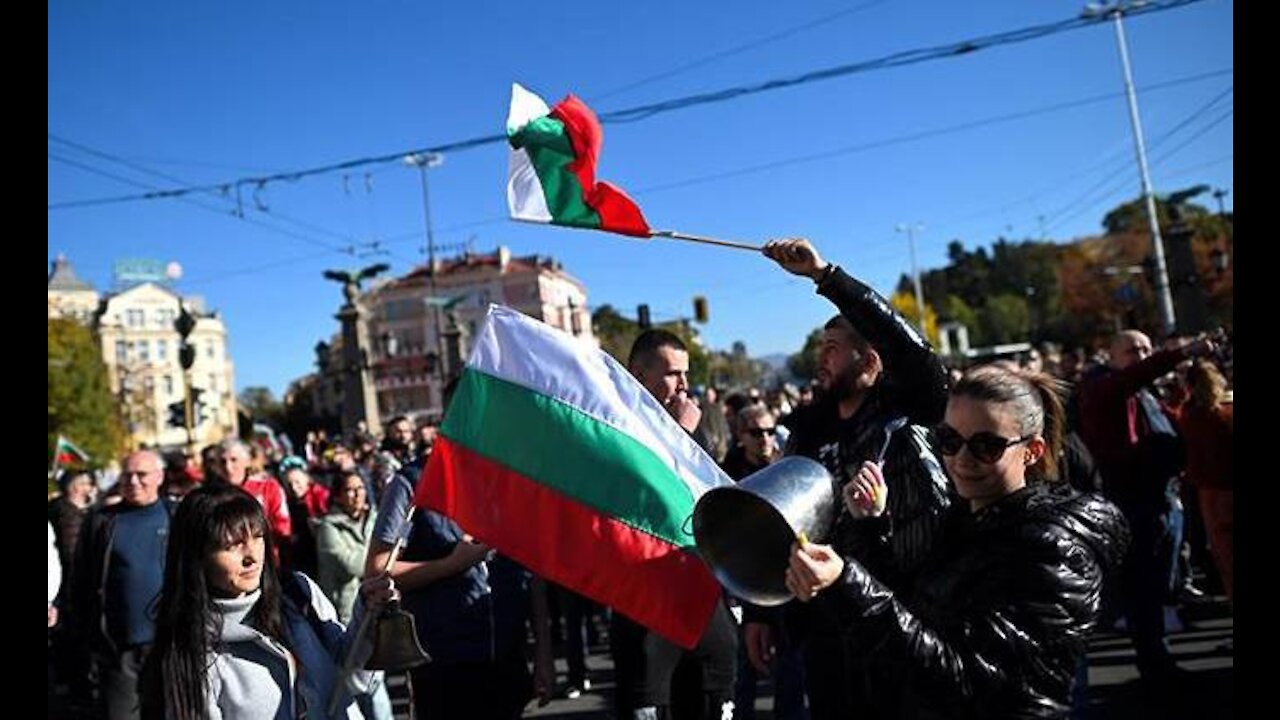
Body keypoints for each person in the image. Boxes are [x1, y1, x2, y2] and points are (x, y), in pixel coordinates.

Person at [786, 365, 1129, 718]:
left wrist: (848, 584)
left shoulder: (1052, 547)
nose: (962, 459)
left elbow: (964, 677)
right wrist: (871, 527)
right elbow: (917, 610)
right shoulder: (964, 519)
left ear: (1032, 451)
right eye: (948, 440)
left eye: (987, 445)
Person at [747, 238, 953, 720]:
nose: (822, 360)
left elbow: (916, 355)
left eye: (835, 349)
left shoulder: (908, 414)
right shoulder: (805, 430)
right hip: (826, 620)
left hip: (899, 612)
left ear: (872, 360)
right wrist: (760, 612)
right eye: (822, 349)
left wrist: (826, 276)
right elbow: (777, 521)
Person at [139, 483, 396, 720]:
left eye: (258, 536)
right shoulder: (191, 657)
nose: (251, 556)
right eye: (232, 546)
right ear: (198, 558)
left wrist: (369, 615)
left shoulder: (298, 595)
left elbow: (352, 678)